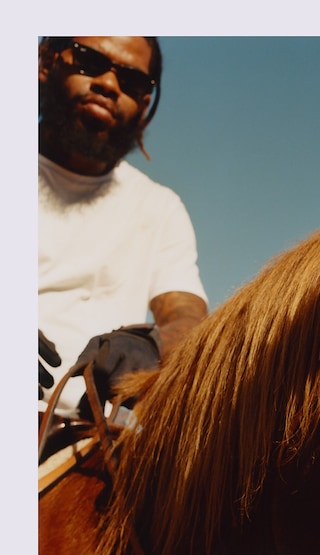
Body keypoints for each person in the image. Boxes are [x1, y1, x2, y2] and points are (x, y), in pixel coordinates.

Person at [38, 36, 208, 420]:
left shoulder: (159, 209)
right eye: (89, 60)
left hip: (90, 439)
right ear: (46, 62)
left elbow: (187, 317)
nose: (109, 85)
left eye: (131, 81)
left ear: (144, 104)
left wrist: (152, 343)